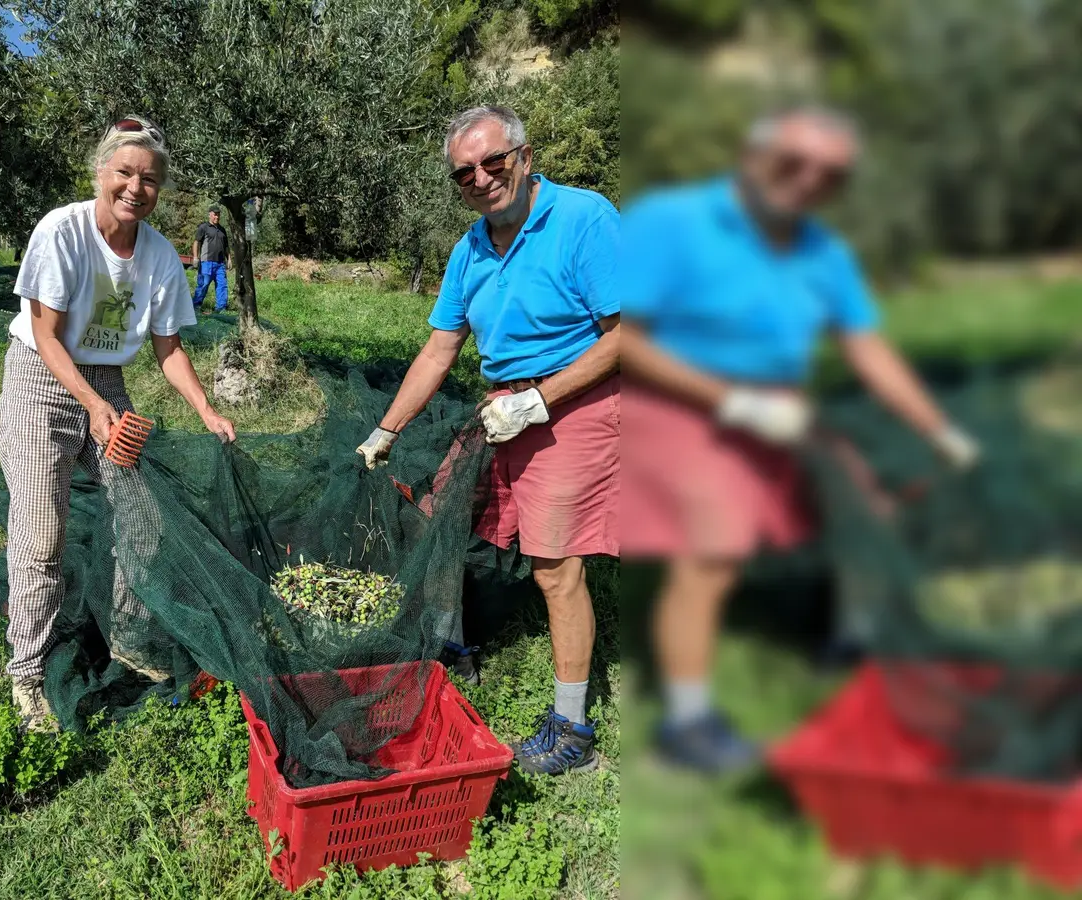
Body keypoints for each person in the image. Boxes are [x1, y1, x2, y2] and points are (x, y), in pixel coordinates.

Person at [620, 107, 981, 774]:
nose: (808, 181)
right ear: (754, 156)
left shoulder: (824, 252)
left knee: (869, 502)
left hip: (778, 407)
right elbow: (625, 341)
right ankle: (688, 720)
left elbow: (867, 350)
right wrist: (734, 402)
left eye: (831, 175)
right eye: (793, 163)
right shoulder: (671, 221)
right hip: (674, 406)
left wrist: (941, 432)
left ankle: (854, 638)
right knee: (716, 542)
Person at [358, 105, 621, 776]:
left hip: (576, 399)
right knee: (436, 511)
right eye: (464, 172)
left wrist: (539, 401)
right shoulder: (470, 249)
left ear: (525, 157)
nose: (481, 178)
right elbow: (439, 349)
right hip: (504, 402)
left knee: (554, 565)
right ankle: (454, 642)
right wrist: (386, 430)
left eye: (493, 162)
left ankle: (573, 728)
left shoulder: (583, 218)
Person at [2, 116, 236, 730]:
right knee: (42, 528)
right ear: (100, 174)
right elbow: (48, 336)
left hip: (108, 380)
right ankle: (27, 671)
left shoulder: (159, 254)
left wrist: (207, 410)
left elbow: (168, 346)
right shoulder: (63, 230)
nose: (136, 188)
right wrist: (90, 405)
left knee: (139, 514)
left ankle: (131, 638)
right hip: (41, 377)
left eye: (150, 179)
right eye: (125, 173)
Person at [190, 206, 229, 314]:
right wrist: (195, 257)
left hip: (220, 263)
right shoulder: (204, 227)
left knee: (222, 285)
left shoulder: (222, 230)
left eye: (218, 214)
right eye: (215, 214)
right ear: (210, 214)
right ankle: (196, 306)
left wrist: (229, 259)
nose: (217, 216)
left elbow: (226, 246)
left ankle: (221, 308)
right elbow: (196, 242)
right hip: (206, 262)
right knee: (204, 284)